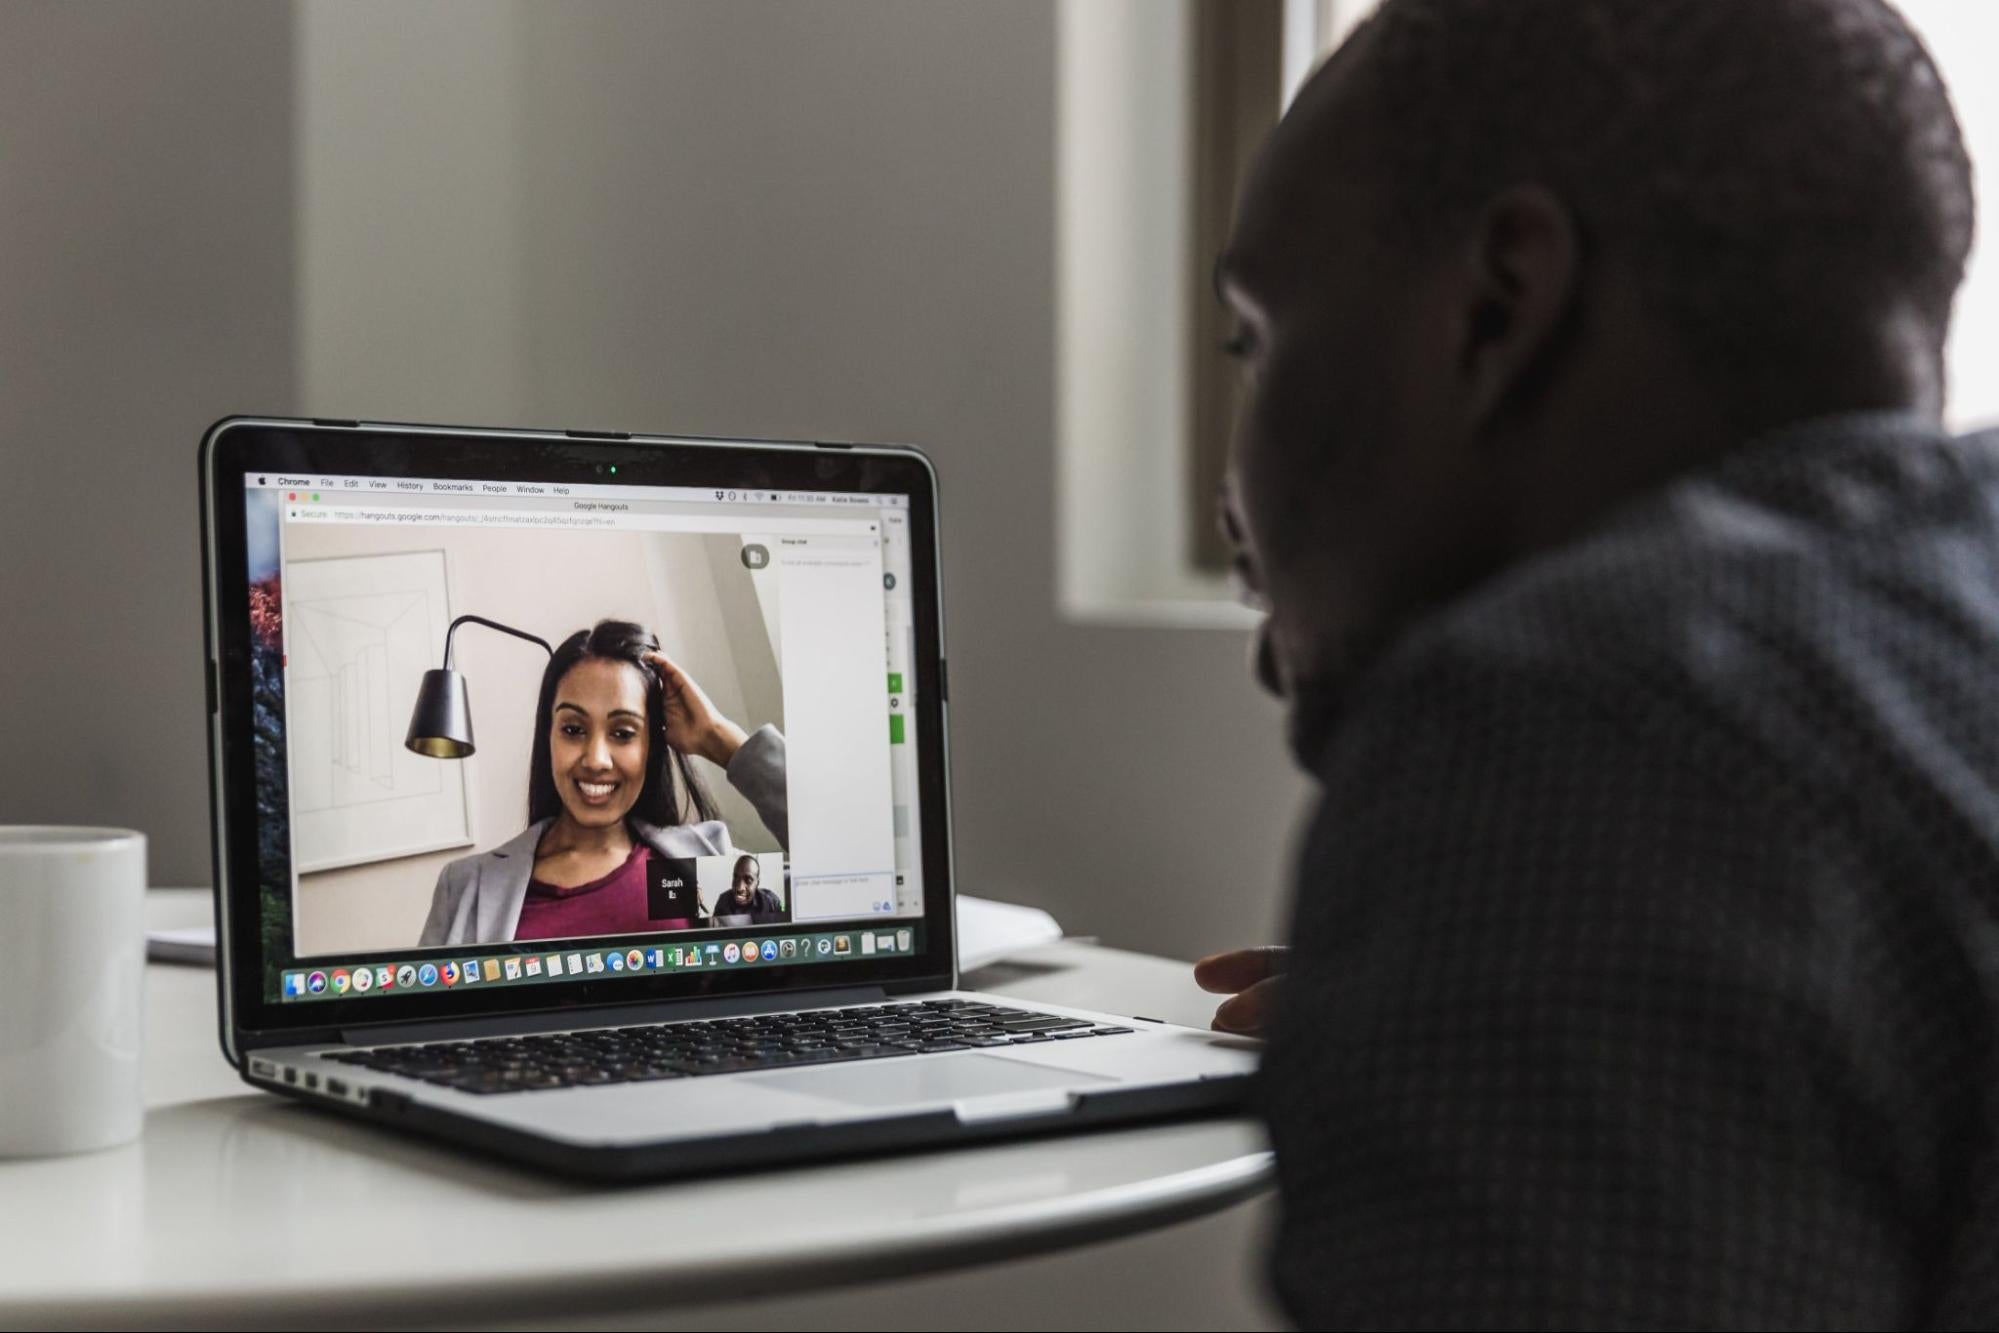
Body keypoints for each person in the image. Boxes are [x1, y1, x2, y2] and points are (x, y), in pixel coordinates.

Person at [1191, 0, 1997, 1325]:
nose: (1233, 496)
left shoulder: (1571, 726)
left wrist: (1512, 882)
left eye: (1256, 341)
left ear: (1498, 301)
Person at [419, 619, 787, 946]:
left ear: (650, 746)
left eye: (623, 733)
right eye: (573, 729)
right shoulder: (467, 886)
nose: (596, 759)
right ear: (549, 736)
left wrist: (722, 741)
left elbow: (836, 876)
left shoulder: (703, 869)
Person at [708, 853, 786, 926]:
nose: (739, 888)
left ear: (757, 883)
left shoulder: (772, 901)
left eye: (748, 880)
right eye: (736, 878)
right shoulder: (723, 900)